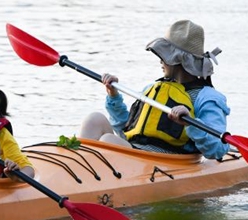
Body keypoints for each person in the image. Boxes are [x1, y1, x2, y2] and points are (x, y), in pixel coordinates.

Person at [79, 19, 230, 159]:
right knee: (94, 119)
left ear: (177, 60)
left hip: (168, 161)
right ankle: (76, 169)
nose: (160, 61)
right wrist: (113, 96)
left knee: (108, 140)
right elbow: (125, 131)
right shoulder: (152, 89)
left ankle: (86, 178)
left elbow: (217, 150)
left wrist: (189, 122)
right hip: (136, 152)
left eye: (163, 56)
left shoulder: (207, 97)